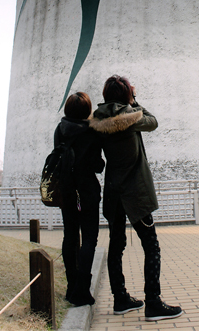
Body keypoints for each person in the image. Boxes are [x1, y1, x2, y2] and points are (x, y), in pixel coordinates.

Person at [90, 75, 182, 321]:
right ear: (126, 94)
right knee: (150, 245)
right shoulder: (132, 117)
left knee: (116, 246)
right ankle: (153, 302)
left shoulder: (97, 120)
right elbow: (153, 121)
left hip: (113, 191)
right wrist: (134, 101)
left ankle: (120, 299)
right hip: (135, 192)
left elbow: (97, 159)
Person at [56, 92, 104, 307]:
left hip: (67, 189)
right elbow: (97, 165)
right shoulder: (91, 131)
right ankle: (82, 289)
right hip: (87, 190)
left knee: (70, 236)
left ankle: (71, 286)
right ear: (87, 110)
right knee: (90, 238)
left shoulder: (60, 129)